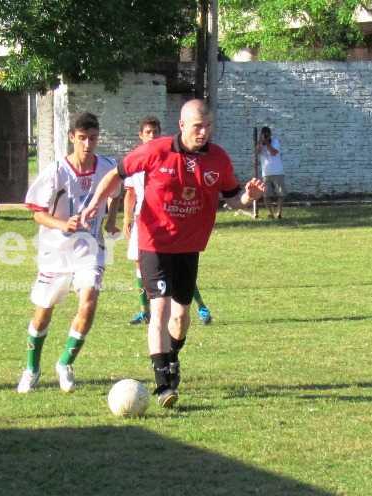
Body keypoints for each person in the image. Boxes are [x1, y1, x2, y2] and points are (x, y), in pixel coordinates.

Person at [81, 99, 264, 408]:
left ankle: (172, 356)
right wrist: (94, 204)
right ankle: (163, 384)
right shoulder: (157, 150)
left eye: (208, 127)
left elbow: (233, 198)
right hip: (154, 243)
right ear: (182, 125)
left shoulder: (218, 159)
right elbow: (117, 173)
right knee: (160, 309)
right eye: (197, 127)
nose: (203, 133)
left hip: (189, 247)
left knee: (180, 317)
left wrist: (249, 196)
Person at [16, 112, 119, 393]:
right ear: (72, 137)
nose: (88, 144)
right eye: (82, 138)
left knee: (89, 301)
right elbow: (37, 213)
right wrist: (63, 224)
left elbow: (115, 192)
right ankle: (32, 368)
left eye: (93, 138)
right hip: (56, 251)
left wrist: (110, 219)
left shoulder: (107, 167)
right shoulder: (56, 172)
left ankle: (64, 363)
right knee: (43, 312)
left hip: (90, 250)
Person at [115, 116, 213, 327]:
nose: (152, 136)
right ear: (141, 135)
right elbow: (130, 193)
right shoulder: (136, 159)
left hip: (166, 220)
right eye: (148, 132)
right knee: (140, 265)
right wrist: (127, 219)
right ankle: (145, 311)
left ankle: (201, 306)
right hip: (142, 220)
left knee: (177, 269)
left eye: (155, 132)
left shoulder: (169, 156)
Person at [256, 126, 285, 219]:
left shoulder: (275, 141)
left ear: (270, 134)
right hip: (266, 173)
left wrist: (267, 143)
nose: (265, 136)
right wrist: (260, 141)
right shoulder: (260, 143)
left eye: (267, 135)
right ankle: (271, 213)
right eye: (264, 134)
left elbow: (273, 152)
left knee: (281, 194)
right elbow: (257, 152)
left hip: (277, 172)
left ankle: (279, 213)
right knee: (266, 195)